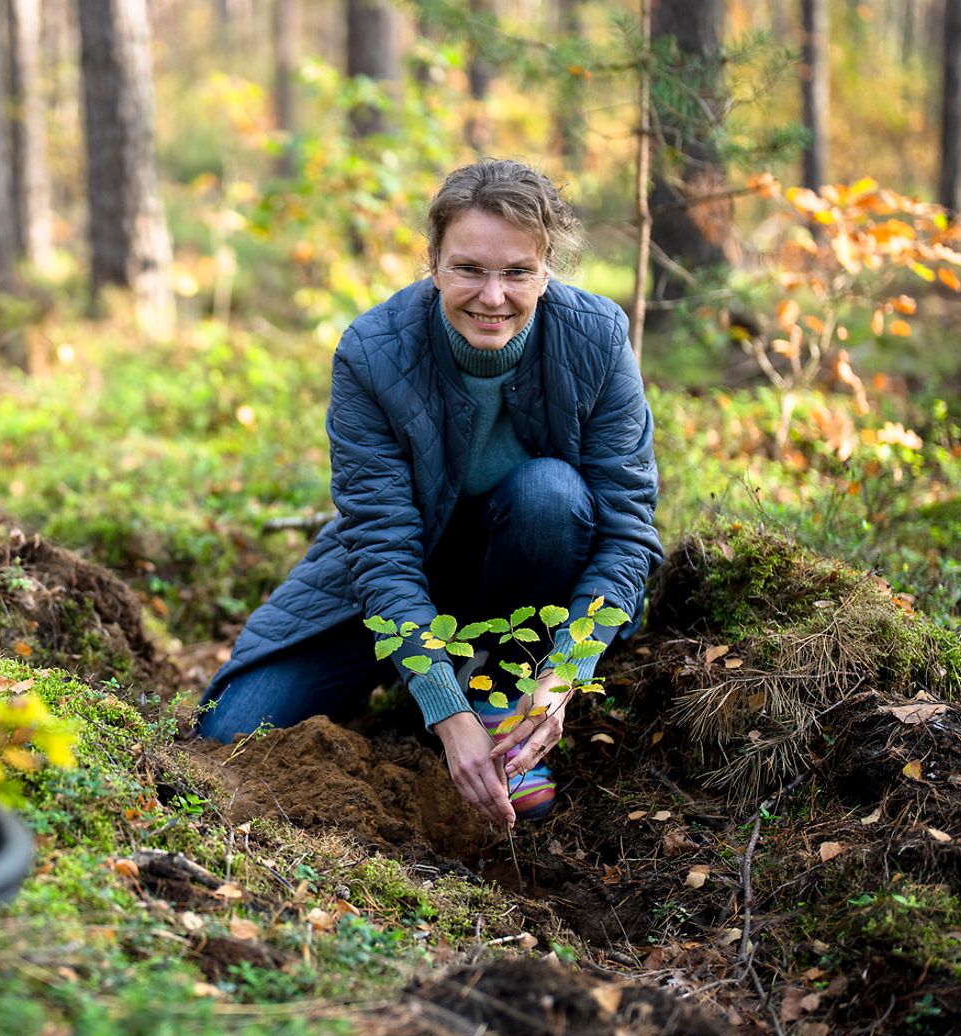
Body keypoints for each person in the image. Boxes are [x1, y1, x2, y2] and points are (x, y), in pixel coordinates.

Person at [198, 159, 662, 828]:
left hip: (532, 568)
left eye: (517, 272)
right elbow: (381, 552)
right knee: (226, 736)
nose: (492, 295)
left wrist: (559, 681)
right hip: (405, 574)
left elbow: (626, 536)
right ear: (435, 263)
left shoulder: (596, 338)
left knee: (550, 493)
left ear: (547, 268)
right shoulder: (373, 353)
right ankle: (432, 684)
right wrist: (446, 713)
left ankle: (503, 690)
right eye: (469, 268)